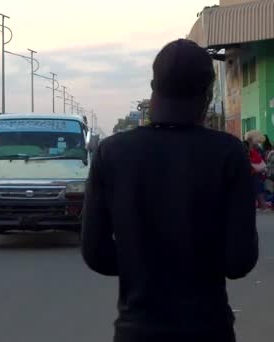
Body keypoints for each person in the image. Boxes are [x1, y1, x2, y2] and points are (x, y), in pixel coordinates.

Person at [82, 39, 258, 342]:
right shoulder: (228, 154)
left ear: (153, 88)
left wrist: (141, 265)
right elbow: (239, 261)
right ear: (207, 94)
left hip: (137, 330)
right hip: (208, 329)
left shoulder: (113, 153)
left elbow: (96, 254)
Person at [248, 135, 268, 211]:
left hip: (255, 173)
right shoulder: (253, 150)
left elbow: (258, 160)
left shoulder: (254, 151)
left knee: (258, 190)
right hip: (254, 173)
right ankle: (260, 206)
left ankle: (263, 206)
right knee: (255, 190)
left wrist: (250, 160)